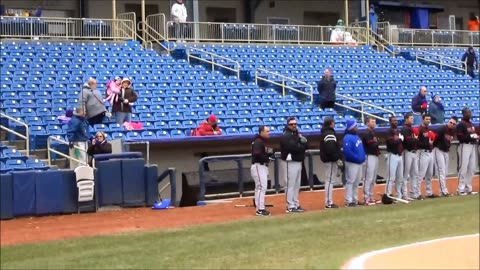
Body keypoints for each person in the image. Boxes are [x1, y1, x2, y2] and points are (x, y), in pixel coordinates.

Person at [280, 117, 308, 213]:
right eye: (291, 124)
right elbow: (294, 148)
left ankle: (295, 204)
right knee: (290, 185)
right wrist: (302, 145)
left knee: (296, 185)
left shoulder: (296, 134)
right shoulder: (286, 135)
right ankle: (290, 206)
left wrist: (302, 144)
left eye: (295, 124)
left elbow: (305, 145)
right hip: (289, 162)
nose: (294, 125)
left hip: (298, 161)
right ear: (287, 125)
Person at [251, 126, 274, 217]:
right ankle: (260, 209)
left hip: (261, 166)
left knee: (259, 188)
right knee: (261, 187)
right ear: (261, 132)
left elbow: (266, 152)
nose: (268, 133)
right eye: (267, 131)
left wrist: (269, 154)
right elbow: (257, 154)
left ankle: (259, 207)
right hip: (258, 165)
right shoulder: (258, 141)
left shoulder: (261, 142)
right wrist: (267, 158)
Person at [319, 117, 342, 209]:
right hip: (330, 160)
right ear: (331, 123)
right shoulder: (329, 133)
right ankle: (328, 202)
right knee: (329, 181)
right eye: (334, 122)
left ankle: (328, 201)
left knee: (329, 180)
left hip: (328, 159)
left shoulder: (326, 132)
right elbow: (330, 148)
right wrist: (336, 159)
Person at [342, 119, 366, 207]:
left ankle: (354, 199)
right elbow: (347, 151)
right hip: (352, 163)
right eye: (355, 126)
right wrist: (356, 158)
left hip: (359, 163)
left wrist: (362, 158)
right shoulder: (347, 137)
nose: (356, 127)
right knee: (350, 181)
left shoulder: (357, 136)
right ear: (351, 127)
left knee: (356, 182)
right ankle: (348, 200)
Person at [456, 108, 479, 195]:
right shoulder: (461, 124)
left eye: (470, 112)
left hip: (472, 146)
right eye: (467, 112)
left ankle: (468, 188)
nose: (470, 114)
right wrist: (470, 137)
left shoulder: (471, 124)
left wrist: (475, 137)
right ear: (464, 114)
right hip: (464, 146)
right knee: (463, 167)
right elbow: (460, 137)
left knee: (471, 168)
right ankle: (460, 189)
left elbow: (474, 134)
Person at [433, 116, 457, 197]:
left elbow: (449, 141)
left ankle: (442, 191)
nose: (451, 124)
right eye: (450, 122)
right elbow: (434, 139)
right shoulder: (442, 129)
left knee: (445, 171)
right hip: (438, 150)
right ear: (448, 122)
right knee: (441, 171)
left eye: (453, 123)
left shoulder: (452, 131)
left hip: (446, 151)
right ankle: (443, 191)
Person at [417, 114, 438, 199]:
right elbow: (417, 143)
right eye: (426, 119)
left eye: (429, 119)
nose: (428, 121)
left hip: (430, 152)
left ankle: (429, 192)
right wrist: (427, 144)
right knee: (420, 174)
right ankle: (417, 193)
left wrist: (431, 143)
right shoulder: (419, 129)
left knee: (429, 174)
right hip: (422, 152)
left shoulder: (428, 130)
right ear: (422, 119)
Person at [361, 117, 380, 206]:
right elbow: (372, 144)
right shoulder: (366, 133)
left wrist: (376, 142)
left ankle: (371, 197)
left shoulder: (373, 132)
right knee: (368, 178)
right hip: (368, 156)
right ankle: (366, 198)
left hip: (375, 156)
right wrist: (376, 142)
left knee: (372, 179)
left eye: (375, 122)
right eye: (372, 122)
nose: (374, 123)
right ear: (367, 123)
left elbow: (375, 143)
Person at [385, 116, 405, 200]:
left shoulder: (397, 131)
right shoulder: (388, 131)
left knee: (400, 177)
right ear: (390, 122)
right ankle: (388, 195)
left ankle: (398, 195)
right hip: (392, 155)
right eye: (394, 121)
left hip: (399, 156)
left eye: (396, 121)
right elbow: (391, 143)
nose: (396, 122)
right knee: (391, 177)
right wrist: (400, 140)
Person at [401, 113, 420, 201]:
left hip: (414, 152)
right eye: (410, 118)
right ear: (406, 119)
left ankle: (413, 193)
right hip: (407, 152)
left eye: (412, 118)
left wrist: (415, 140)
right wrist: (415, 139)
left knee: (415, 173)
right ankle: (404, 193)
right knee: (405, 174)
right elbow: (407, 141)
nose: (412, 119)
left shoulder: (411, 128)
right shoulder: (405, 129)